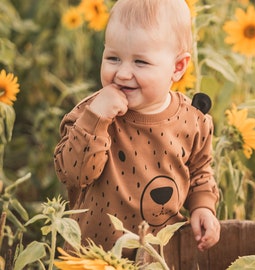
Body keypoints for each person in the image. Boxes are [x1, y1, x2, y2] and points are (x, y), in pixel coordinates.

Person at [54, 0, 220, 259]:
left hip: (158, 256)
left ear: (178, 67)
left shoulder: (193, 120)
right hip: (95, 256)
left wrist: (203, 207)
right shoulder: (90, 115)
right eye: (113, 58)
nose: (122, 73)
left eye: (140, 62)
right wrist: (98, 118)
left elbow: (199, 171)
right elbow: (75, 175)